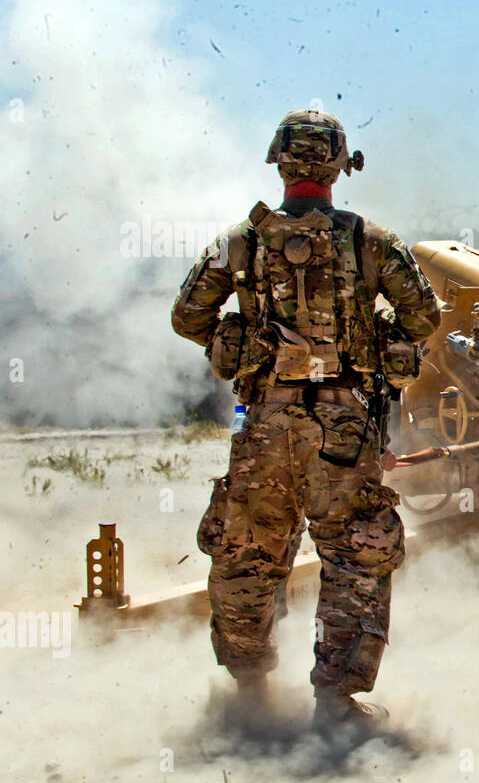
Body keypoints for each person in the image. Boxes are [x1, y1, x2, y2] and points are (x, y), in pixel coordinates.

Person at [172, 109, 441, 735]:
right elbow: (423, 317)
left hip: (264, 423)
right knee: (355, 556)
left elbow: (188, 317)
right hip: (343, 428)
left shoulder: (238, 242)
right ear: (340, 163)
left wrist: (232, 340)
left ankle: (249, 690)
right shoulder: (372, 242)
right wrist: (386, 343)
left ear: (280, 160)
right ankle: (338, 702)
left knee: (248, 552)